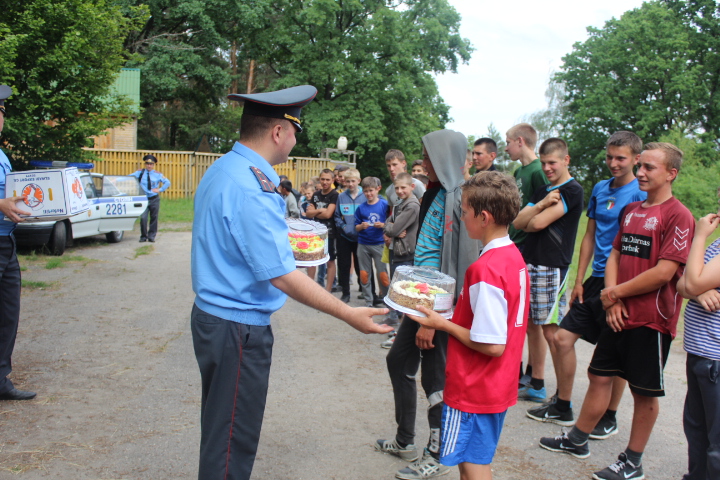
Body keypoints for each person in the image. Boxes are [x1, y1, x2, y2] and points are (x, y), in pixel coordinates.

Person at [190, 85, 392, 480]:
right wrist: (348, 312)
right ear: (279, 132)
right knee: (231, 441)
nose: (296, 139)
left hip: (217, 319)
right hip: (237, 328)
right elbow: (281, 274)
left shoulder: (226, 168)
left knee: (220, 429)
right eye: (295, 130)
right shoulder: (252, 185)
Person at [539, 142, 695, 480]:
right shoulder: (632, 210)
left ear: (671, 173)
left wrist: (613, 293)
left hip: (651, 319)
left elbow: (665, 272)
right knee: (599, 375)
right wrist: (613, 299)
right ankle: (578, 439)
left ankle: (633, 462)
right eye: (641, 167)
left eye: (649, 168)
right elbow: (613, 255)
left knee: (643, 392)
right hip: (618, 311)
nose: (640, 172)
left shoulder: (678, 215)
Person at [408, 171, 529, 480]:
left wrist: (440, 323)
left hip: (476, 385)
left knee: (473, 465)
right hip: (495, 383)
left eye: (463, 211)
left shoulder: (484, 270)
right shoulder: (512, 256)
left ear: (484, 217)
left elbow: (491, 343)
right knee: (474, 460)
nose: (460, 217)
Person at [376, 129, 481, 480]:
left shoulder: (461, 198)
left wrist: (432, 319)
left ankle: (437, 453)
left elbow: (457, 263)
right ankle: (405, 439)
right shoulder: (437, 193)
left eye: (428, 156)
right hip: (421, 303)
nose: (423, 162)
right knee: (398, 361)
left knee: (436, 379)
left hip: (438, 311)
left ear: (446, 158)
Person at [526, 131, 645, 432]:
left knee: (613, 351)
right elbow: (590, 235)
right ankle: (563, 405)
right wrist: (579, 279)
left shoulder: (640, 194)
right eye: (609, 157)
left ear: (635, 159)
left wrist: (622, 291)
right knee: (563, 339)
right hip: (594, 279)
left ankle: (609, 416)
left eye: (621, 158)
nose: (614, 163)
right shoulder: (600, 189)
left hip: (623, 283)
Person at [512, 138, 584, 403]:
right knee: (533, 325)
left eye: (552, 162)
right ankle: (537, 384)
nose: (547, 168)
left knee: (551, 331)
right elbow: (519, 221)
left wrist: (534, 216)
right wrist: (541, 204)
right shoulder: (544, 189)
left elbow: (537, 224)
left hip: (551, 267)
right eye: (543, 163)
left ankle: (562, 398)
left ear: (566, 160)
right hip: (531, 261)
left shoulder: (572, 190)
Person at [677, 188, 720, 480]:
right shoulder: (716, 247)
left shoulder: (711, 243)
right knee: (696, 427)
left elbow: (691, 284)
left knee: (715, 439)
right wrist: (698, 289)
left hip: (715, 358)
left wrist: (700, 235)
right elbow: (682, 284)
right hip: (700, 353)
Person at [505, 123, 549, 386]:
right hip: (514, 243)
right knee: (517, 313)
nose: (506, 147)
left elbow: (545, 207)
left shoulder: (537, 171)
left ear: (520, 141)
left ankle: (535, 374)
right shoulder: (518, 170)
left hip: (529, 248)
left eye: (508, 142)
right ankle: (518, 369)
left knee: (532, 318)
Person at [0, 85, 35, 401]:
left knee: (8, 314)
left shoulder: (1, 155)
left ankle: (0, 379)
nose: (0, 117)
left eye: (1, 111)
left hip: (6, 243)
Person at [384, 149, 426, 322]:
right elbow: (390, 217)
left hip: (409, 244)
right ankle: (393, 316)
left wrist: (396, 229)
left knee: (407, 286)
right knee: (395, 281)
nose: (392, 168)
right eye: (388, 166)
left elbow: (421, 212)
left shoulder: (417, 186)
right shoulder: (390, 190)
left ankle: (404, 320)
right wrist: (389, 230)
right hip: (395, 244)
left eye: (395, 164)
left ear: (403, 164)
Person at [382, 172, 421, 341]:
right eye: (397, 188)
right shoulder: (400, 203)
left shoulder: (412, 206)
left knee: (403, 295)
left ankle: (402, 334)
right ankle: (399, 330)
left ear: (412, 187)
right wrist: (391, 227)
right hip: (396, 251)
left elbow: (393, 229)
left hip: (405, 254)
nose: (399, 191)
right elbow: (388, 225)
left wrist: (392, 229)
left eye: (403, 187)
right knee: (397, 292)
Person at [355, 177, 389, 307]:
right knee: (364, 274)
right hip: (363, 244)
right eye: (366, 191)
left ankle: (386, 301)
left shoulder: (384, 205)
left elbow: (391, 223)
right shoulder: (361, 208)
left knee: (382, 274)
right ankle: (368, 302)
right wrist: (361, 226)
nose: (369, 194)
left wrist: (383, 225)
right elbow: (356, 227)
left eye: (371, 190)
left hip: (379, 244)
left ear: (377, 189)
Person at [305, 169, 338, 292]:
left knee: (329, 261)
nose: (325, 182)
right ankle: (310, 288)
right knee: (312, 260)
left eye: (328, 179)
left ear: (332, 180)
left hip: (329, 233)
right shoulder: (316, 195)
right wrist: (319, 211)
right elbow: (308, 214)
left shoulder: (334, 195)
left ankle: (328, 289)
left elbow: (328, 214)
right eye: (323, 179)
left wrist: (316, 212)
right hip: (315, 232)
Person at [334, 168, 365, 303]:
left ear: (359, 181)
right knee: (344, 265)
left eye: (353, 181)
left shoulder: (365, 195)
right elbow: (336, 216)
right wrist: (343, 226)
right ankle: (345, 293)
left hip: (361, 237)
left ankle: (364, 290)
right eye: (348, 181)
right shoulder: (341, 197)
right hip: (345, 237)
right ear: (344, 182)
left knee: (361, 265)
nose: (351, 184)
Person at [130, 154, 171, 242]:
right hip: (143, 199)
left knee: (154, 217)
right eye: (147, 164)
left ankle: (152, 236)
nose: (149, 166)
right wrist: (116, 180)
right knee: (143, 218)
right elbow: (129, 177)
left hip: (154, 198)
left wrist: (160, 189)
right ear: (145, 164)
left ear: (153, 165)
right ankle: (143, 236)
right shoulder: (140, 172)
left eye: (151, 164)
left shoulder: (157, 174)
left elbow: (167, 182)